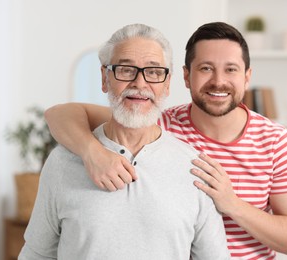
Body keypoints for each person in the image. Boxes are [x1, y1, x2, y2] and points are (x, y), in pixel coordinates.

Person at [45, 22, 287, 259]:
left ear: (247, 78)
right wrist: (93, 152)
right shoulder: (156, 124)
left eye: (230, 69)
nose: (218, 81)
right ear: (185, 77)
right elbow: (60, 114)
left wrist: (232, 204)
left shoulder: (276, 143)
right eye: (206, 68)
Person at [18, 23, 230, 260]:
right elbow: (37, 254)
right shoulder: (62, 163)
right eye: (126, 70)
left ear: (167, 84)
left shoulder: (195, 168)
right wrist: (91, 153)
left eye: (153, 72)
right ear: (104, 78)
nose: (140, 84)